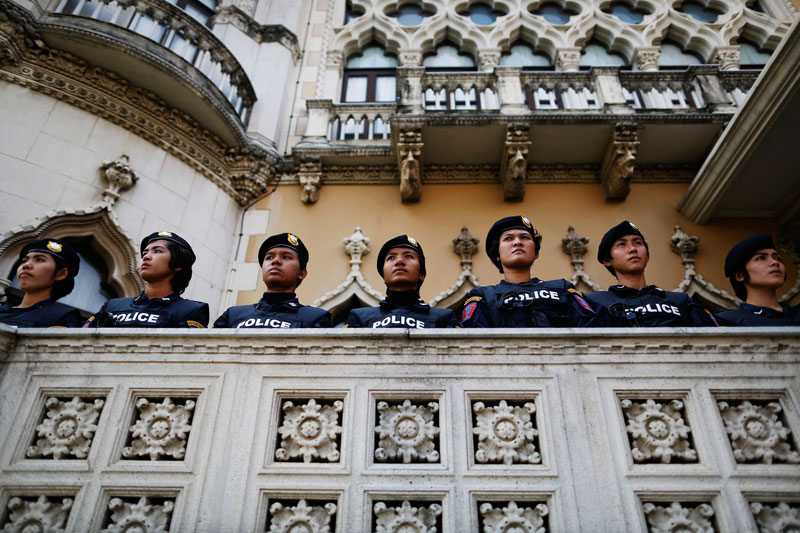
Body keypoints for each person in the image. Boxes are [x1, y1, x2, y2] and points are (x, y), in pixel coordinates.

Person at [461, 216, 596, 327]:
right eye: (508, 238)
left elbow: (590, 333)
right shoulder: (484, 296)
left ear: (536, 252)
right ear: (497, 254)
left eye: (525, 237)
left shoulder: (562, 289)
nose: (517, 242)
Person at [585, 221, 717, 327]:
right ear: (607, 260)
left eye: (638, 243)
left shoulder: (680, 301)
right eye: (621, 244)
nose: (633, 249)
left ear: (647, 256)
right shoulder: (597, 302)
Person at [84, 232, 208, 328]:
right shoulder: (112, 306)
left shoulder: (191, 310)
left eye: (157, 251)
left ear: (178, 264)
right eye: (145, 253)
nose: (146, 257)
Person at [214, 233, 330, 328]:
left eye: (286, 257)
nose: (275, 261)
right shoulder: (232, 315)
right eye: (269, 257)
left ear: (301, 273)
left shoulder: (315, 318)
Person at [345, 235, 458, 328]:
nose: (399, 261)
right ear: (384, 276)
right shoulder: (360, 317)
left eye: (408, 256)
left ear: (421, 274)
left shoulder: (444, 318)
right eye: (391, 258)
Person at [715, 233, 799, 326]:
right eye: (761, 258)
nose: (775, 262)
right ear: (740, 275)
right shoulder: (727, 321)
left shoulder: (796, 316)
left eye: (777, 258)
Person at [0, 239, 82, 327]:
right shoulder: (3, 310)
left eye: (39, 260)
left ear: (61, 273)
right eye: (24, 261)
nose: (26, 265)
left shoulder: (60, 317)